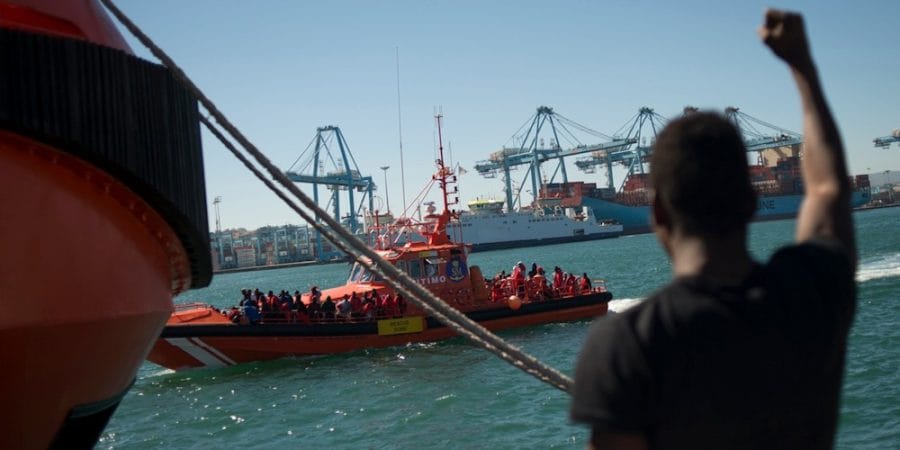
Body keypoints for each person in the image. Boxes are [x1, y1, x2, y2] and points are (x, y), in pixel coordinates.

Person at [571, 10, 857, 450]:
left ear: (659, 214)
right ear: (752, 201)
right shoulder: (814, 290)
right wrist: (802, 66)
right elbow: (826, 188)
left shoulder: (625, 343)